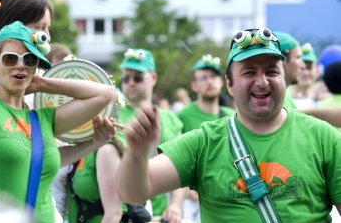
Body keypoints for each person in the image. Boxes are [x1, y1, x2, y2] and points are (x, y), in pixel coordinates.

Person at [116, 28, 341, 222]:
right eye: (249, 72)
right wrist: (136, 154)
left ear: (284, 79)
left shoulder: (325, 138)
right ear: (230, 85)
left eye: (271, 71)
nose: (262, 81)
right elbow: (134, 192)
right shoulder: (204, 142)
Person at [0, 0, 115, 223]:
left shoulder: (42, 117)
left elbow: (105, 94)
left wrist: (44, 83)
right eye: (11, 59)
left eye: (30, 60)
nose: (20, 65)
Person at [117, 48, 185, 222]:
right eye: (125, 77)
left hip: (159, 216)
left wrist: (176, 205)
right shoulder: (112, 115)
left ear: (153, 78)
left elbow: (180, 165)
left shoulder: (170, 118)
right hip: (124, 213)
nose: (130, 82)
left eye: (138, 77)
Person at [176, 54, 234, 222]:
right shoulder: (182, 116)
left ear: (221, 81)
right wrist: (187, 188)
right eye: (203, 78)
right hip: (192, 201)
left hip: (227, 197)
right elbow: (177, 158)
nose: (210, 82)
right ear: (194, 85)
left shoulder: (233, 116)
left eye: (214, 76)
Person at [274, 31, 305, 109]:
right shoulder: (273, 101)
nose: (303, 66)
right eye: (298, 58)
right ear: (282, 61)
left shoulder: (285, 98)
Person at [286, 43, 320, 109]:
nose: (305, 73)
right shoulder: (283, 96)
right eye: (301, 68)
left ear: (317, 71)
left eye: (309, 68)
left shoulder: (324, 99)